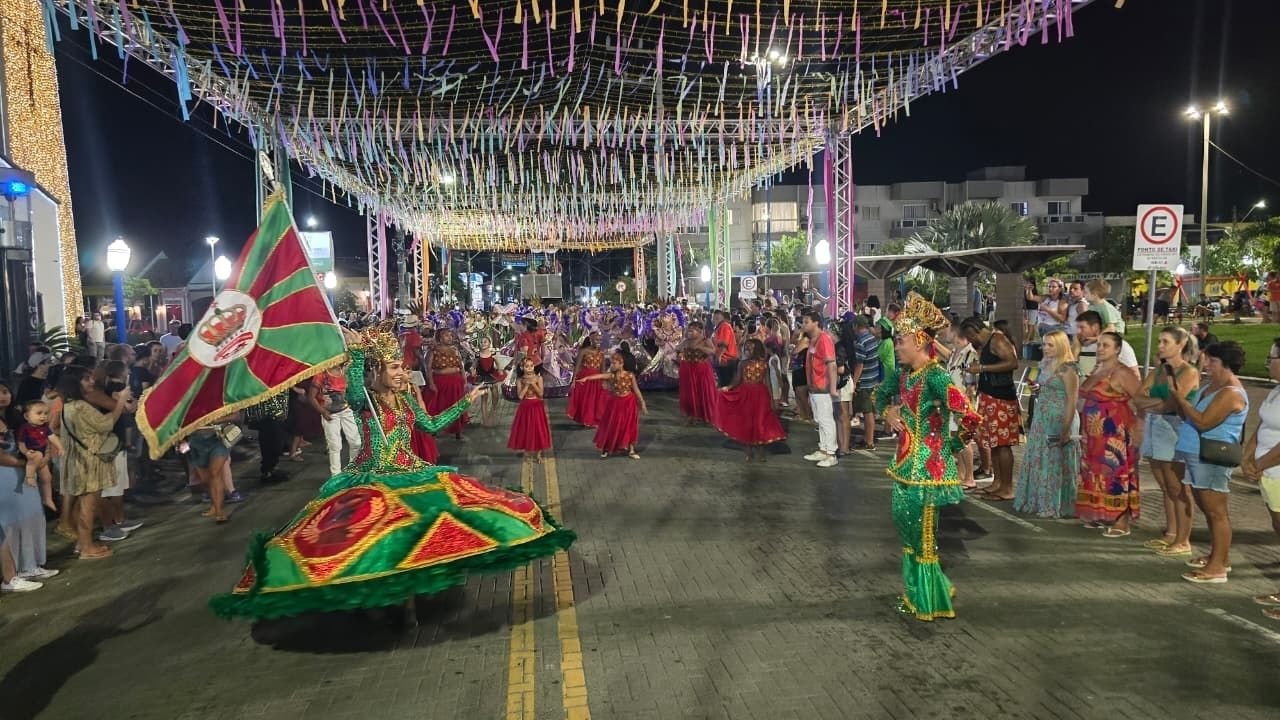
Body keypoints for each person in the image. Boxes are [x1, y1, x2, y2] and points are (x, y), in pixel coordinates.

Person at [209, 322, 575, 620]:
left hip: (411, 472)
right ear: (378, 371)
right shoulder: (364, 401)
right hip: (372, 476)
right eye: (395, 368)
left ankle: (409, 600)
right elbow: (354, 388)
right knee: (376, 539)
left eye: (402, 366)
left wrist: (466, 401)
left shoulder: (405, 400)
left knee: (425, 530)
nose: (403, 373)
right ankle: (380, 600)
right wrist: (356, 353)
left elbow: (432, 426)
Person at [876, 293, 980, 621]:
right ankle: (917, 589)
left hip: (927, 472)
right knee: (905, 527)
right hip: (903, 465)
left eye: (901, 340)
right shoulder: (903, 375)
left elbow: (969, 416)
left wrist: (949, 448)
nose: (897, 346)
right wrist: (888, 412)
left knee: (923, 537)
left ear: (920, 342)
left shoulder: (935, 376)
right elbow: (879, 395)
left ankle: (930, 599)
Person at [1168, 341, 1248, 584]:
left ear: (1226, 364)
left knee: (1216, 512)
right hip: (1196, 453)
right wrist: (1179, 400)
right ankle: (1218, 556)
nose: (1207, 366)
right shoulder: (1211, 386)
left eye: (1212, 361)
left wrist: (1180, 399)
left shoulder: (1231, 392)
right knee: (1208, 509)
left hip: (1212, 456)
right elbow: (1188, 415)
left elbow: (1203, 422)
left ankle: (1218, 567)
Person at [1134, 326, 1199, 557]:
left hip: (1175, 429)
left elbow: (1173, 404)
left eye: (1165, 342)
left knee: (1177, 486)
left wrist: (1154, 403)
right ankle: (1171, 533)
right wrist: (1157, 404)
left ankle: (1184, 539)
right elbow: (1138, 398)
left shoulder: (1188, 372)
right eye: (1159, 341)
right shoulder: (1159, 370)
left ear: (1180, 345)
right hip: (1155, 426)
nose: (1160, 346)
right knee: (1164, 484)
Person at [58, 366, 133, 559]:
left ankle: (82, 543)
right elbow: (106, 424)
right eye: (86, 379)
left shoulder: (69, 406)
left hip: (79, 460)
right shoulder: (79, 406)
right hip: (89, 462)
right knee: (88, 506)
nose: (92, 381)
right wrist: (121, 401)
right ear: (75, 383)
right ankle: (87, 548)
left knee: (82, 504)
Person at [1076, 332, 1142, 536]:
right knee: (1095, 472)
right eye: (1099, 345)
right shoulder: (1098, 369)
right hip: (1093, 433)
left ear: (1117, 349)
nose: (1100, 348)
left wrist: (1138, 428)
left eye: (1106, 345)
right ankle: (1101, 513)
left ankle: (1122, 521)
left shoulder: (1122, 372)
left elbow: (1141, 400)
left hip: (1114, 432)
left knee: (1115, 471)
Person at [1013, 331, 1079, 518]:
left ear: (1061, 345)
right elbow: (1049, 387)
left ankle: (1055, 503)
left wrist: (1066, 428)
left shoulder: (1068, 369)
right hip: (1042, 418)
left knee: (1054, 461)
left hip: (1059, 418)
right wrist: (1038, 388)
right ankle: (1038, 499)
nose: (1045, 348)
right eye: (1044, 344)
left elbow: (1072, 400)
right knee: (1040, 458)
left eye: (1050, 345)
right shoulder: (1046, 364)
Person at [960, 318, 1020, 501]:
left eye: (969, 337)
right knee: (993, 442)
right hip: (989, 396)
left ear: (974, 331)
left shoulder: (997, 340)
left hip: (1002, 398)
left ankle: (1007, 487)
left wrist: (983, 368)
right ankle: (998, 482)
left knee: (1003, 444)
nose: (970, 341)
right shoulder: (986, 344)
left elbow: (1013, 363)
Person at [1243, 338, 1280, 618]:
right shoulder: (1275, 390)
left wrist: (1260, 463)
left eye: (1272, 358)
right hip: (1268, 473)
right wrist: (1248, 455)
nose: (1268, 363)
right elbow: (1264, 425)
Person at [714, 338, 785, 461]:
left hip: (761, 395)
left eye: (750, 348)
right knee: (747, 422)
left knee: (760, 422)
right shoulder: (742, 363)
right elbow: (737, 380)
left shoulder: (764, 363)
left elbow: (767, 382)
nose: (747, 350)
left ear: (757, 350)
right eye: (746, 348)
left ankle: (761, 451)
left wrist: (772, 399)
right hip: (745, 394)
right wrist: (728, 387)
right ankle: (749, 452)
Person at [579, 345, 647, 459]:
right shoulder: (612, 375)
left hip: (629, 403)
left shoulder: (630, 375)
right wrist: (586, 378)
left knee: (629, 426)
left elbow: (636, 390)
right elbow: (599, 375)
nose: (612, 365)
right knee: (611, 425)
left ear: (621, 364)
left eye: (614, 363)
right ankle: (606, 448)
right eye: (612, 363)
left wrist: (642, 402)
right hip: (615, 403)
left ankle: (631, 450)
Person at [800, 311, 839, 468]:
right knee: (820, 420)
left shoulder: (824, 339)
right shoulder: (813, 340)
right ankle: (823, 449)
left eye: (806, 322)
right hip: (814, 387)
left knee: (826, 420)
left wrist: (833, 388)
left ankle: (831, 453)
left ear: (816, 322)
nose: (804, 325)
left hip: (823, 387)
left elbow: (832, 364)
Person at [310, 364, 363, 476]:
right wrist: (323, 411)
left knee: (356, 442)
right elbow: (311, 397)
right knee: (334, 445)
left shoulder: (346, 371)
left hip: (346, 410)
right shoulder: (321, 374)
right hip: (330, 413)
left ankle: (353, 470)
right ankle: (336, 475)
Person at [424, 328, 469, 441]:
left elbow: (461, 367)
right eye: (446, 335)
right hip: (440, 384)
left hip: (456, 384)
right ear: (439, 338)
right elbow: (428, 368)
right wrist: (431, 383)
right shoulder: (433, 350)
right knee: (438, 407)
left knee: (457, 407)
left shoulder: (455, 349)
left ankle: (458, 431)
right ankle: (434, 430)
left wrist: (464, 381)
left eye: (451, 335)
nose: (450, 337)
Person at [17, 399, 61, 511]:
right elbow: (21, 443)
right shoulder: (25, 428)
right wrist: (26, 452)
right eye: (39, 413)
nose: (43, 416)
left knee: (47, 477)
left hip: (42, 456)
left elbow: (53, 438)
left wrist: (60, 447)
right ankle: (29, 477)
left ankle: (47, 498)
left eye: (46, 413)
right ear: (27, 416)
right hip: (31, 454)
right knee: (37, 455)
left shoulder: (45, 428)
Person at [507, 358, 552, 463]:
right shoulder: (520, 380)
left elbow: (541, 394)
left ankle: (538, 454)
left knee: (538, 429)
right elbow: (520, 396)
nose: (530, 368)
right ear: (522, 367)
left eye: (531, 366)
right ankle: (527, 452)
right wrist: (527, 385)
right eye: (527, 366)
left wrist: (533, 384)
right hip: (525, 407)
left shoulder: (539, 378)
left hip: (537, 407)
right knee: (526, 429)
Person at [676, 321, 718, 425]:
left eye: (692, 331)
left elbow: (713, 351)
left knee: (703, 392)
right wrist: (681, 351)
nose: (689, 332)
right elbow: (677, 348)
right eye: (688, 330)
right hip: (688, 370)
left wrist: (701, 348)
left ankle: (705, 416)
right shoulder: (686, 341)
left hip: (701, 371)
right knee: (690, 393)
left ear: (699, 331)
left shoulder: (705, 340)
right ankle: (692, 415)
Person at [850, 316, 881, 454]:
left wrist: (854, 382)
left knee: (867, 412)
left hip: (865, 382)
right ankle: (868, 438)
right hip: (873, 378)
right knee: (871, 411)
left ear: (856, 326)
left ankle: (869, 442)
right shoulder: (872, 338)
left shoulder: (860, 342)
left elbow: (859, 365)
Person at [567, 332, 609, 428]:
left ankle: (593, 420)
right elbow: (577, 366)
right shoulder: (583, 351)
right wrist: (573, 380)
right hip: (584, 379)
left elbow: (603, 368)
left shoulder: (602, 352)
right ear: (591, 339)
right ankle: (586, 420)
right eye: (596, 339)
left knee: (596, 401)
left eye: (600, 340)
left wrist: (604, 381)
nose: (598, 342)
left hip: (596, 379)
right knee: (587, 401)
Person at [470, 337, 507, 427]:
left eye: (485, 342)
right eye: (481, 342)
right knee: (484, 398)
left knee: (495, 394)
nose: (483, 343)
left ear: (489, 343)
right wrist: (472, 370)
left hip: (492, 376)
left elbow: (498, 363)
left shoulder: (493, 354)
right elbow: (474, 365)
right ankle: (484, 419)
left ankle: (493, 411)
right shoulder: (477, 355)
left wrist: (500, 370)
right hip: (482, 378)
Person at [711, 310, 739, 387]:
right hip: (725, 360)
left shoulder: (724, 326)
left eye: (713, 318)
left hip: (726, 360)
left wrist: (718, 357)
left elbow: (723, 344)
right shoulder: (719, 327)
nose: (712, 320)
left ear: (717, 318)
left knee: (725, 385)